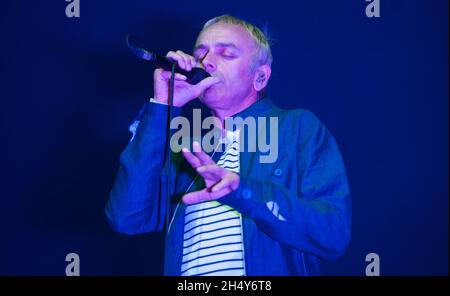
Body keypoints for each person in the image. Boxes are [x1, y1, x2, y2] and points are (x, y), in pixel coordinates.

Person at [105, 15, 351, 276]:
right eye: (200, 53)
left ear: (259, 78)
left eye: (226, 53)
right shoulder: (186, 146)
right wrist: (164, 106)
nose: (206, 61)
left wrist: (243, 192)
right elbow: (127, 218)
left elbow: (332, 234)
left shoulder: (298, 128)